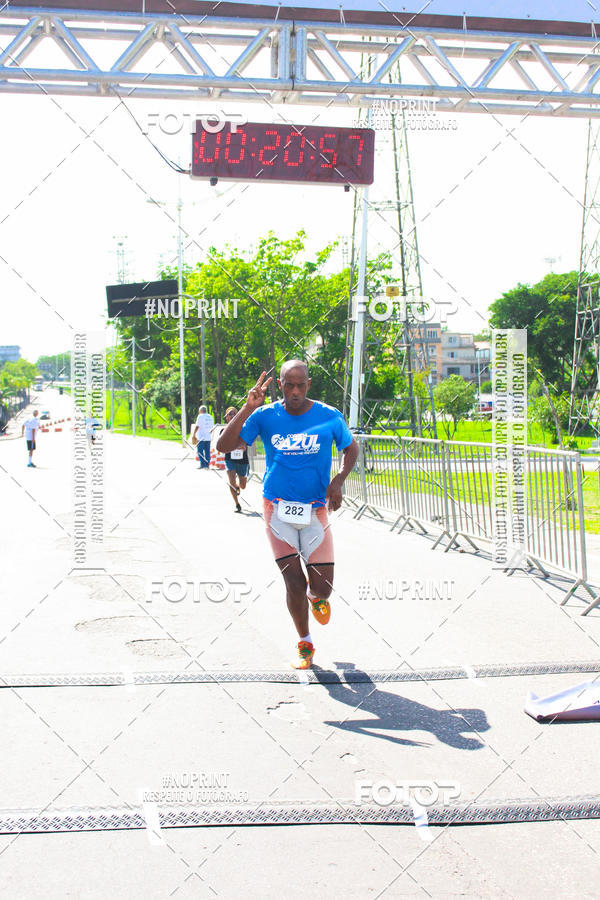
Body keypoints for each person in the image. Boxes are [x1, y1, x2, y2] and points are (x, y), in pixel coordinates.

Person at [216, 361, 359, 669]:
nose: (295, 392)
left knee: (323, 588)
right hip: (276, 509)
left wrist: (338, 480)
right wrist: (246, 407)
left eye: (301, 385)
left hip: (316, 510)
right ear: (280, 385)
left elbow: (351, 448)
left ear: (309, 384)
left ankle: (315, 596)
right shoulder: (265, 416)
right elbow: (224, 446)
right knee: (293, 581)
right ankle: (305, 643)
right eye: (288, 385)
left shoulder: (329, 416)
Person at [221, 406, 249, 513]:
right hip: (230, 459)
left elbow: (246, 443)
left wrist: (243, 446)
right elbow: (222, 446)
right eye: (229, 414)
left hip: (242, 460)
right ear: (226, 418)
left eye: (234, 414)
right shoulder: (224, 430)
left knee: (243, 486)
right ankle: (237, 504)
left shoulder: (244, 428)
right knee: (231, 481)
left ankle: (238, 486)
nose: (232, 416)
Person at [192, 404, 214, 469]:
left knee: (200, 451)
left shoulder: (200, 416)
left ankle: (202, 464)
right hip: (208, 437)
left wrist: (194, 434)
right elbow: (212, 427)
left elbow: (197, 426)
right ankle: (207, 464)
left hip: (201, 437)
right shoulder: (210, 417)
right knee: (207, 451)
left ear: (200, 411)